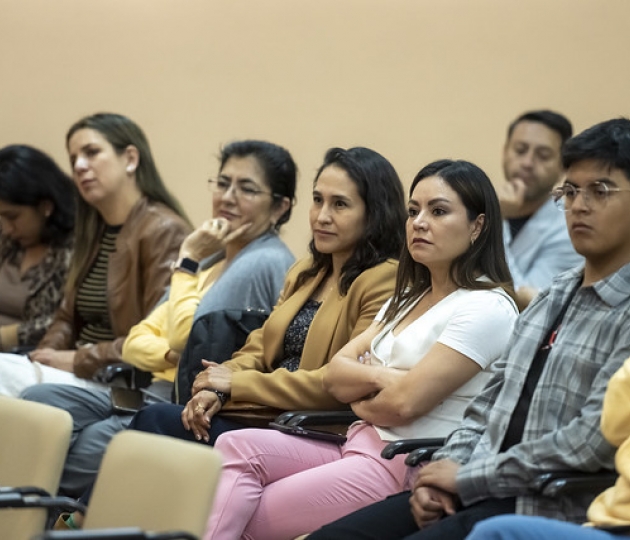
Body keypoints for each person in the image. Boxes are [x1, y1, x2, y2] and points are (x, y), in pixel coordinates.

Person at [308, 118, 630, 540]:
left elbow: (587, 441)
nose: (579, 205)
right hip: (471, 486)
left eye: (600, 191)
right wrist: (439, 478)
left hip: (546, 505)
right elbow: (486, 406)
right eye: (570, 191)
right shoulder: (553, 298)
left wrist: (467, 477)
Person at [57, 145, 406, 532]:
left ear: (373, 213)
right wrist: (214, 391)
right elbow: (258, 345)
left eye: (340, 205)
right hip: (257, 413)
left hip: (306, 427)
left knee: (156, 420)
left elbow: (338, 383)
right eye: (318, 200)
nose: (321, 216)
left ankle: (77, 524)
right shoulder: (307, 270)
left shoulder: (382, 279)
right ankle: (87, 524)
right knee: (159, 427)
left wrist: (235, 384)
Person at [205, 159, 520, 540]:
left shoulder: (485, 306)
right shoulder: (406, 297)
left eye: (438, 211)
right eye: (413, 211)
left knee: (247, 516)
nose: (419, 222)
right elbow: (337, 375)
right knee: (235, 445)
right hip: (356, 440)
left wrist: (366, 394)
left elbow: (403, 405)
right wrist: (383, 380)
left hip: (404, 460)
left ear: (478, 225)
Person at [21, 139, 297, 497]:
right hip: (143, 386)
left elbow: (184, 339)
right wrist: (169, 351)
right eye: (223, 183)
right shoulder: (213, 258)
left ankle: (40, 522)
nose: (228, 197)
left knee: (85, 447)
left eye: (246, 188)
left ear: (279, 207)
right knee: (38, 399)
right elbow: (137, 339)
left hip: (182, 402)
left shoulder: (260, 262)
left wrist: (185, 262)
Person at [0, 112, 191, 397]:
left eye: (91, 153)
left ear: (130, 159)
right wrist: (45, 354)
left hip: (119, 379)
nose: (79, 166)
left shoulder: (164, 230)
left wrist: (78, 359)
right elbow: (66, 318)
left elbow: (155, 339)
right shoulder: (93, 228)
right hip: (74, 371)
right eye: (74, 157)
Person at [465, 355, 630, 540]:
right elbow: (481, 410)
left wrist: (465, 479)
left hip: (610, 522)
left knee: (496, 532)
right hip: (608, 522)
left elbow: (610, 431)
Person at [498, 110, 582, 307]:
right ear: (504, 152)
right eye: (520, 150)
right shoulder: (475, 208)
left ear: (563, 166)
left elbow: (528, 303)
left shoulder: (570, 228)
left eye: (543, 156)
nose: (527, 163)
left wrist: (497, 222)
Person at [0, 144, 74, 351]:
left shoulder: (76, 250)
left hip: (26, 359)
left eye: (12, 217)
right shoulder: (7, 240)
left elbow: (68, 321)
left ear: (45, 207)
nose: (6, 229)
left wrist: (5, 336)